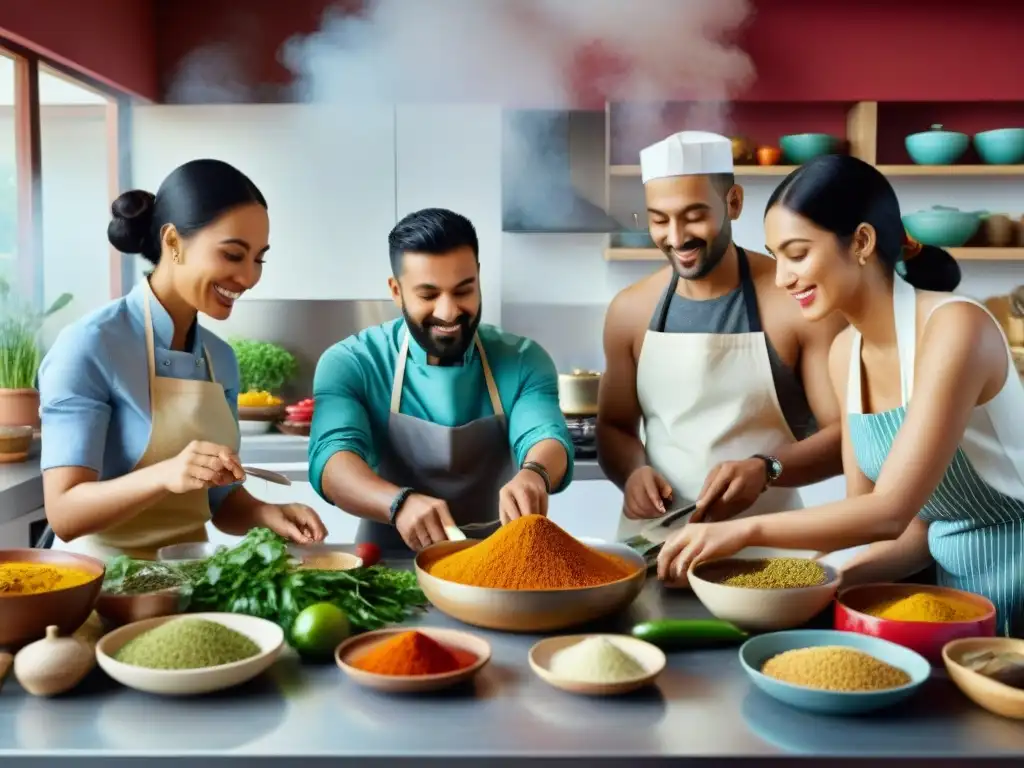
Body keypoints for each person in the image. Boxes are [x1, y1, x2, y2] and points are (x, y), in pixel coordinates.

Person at [657, 154, 1024, 634]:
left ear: (862, 242)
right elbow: (890, 530)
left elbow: (887, 512)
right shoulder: (845, 353)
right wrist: (812, 582)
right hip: (955, 603)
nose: (784, 276)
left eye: (797, 252)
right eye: (776, 254)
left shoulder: (956, 327)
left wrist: (744, 531)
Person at [38, 159, 328, 560]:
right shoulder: (89, 346)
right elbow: (65, 512)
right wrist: (165, 474)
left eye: (258, 258)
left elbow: (220, 502)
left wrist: (267, 513)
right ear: (172, 242)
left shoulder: (219, 359)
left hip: (187, 582)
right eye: (232, 255)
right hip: (95, 587)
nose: (248, 277)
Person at [598, 131, 846, 548]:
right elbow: (613, 426)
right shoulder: (629, 311)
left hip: (769, 552)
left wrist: (768, 469)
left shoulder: (794, 304)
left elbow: (848, 438)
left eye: (693, 215)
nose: (676, 237)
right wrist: (633, 472)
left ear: (733, 202)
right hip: (655, 548)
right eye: (659, 220)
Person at [309, 207, 574, 554]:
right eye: (428, 295)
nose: (448, 312)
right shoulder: (352, 363)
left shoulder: (524, 360)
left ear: (478, 278)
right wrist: (398, 503)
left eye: (463, 291)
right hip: (389, 565)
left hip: (500, 562)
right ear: (396, 290)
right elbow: (332, 459)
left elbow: (545, 435)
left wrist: (534, 474)